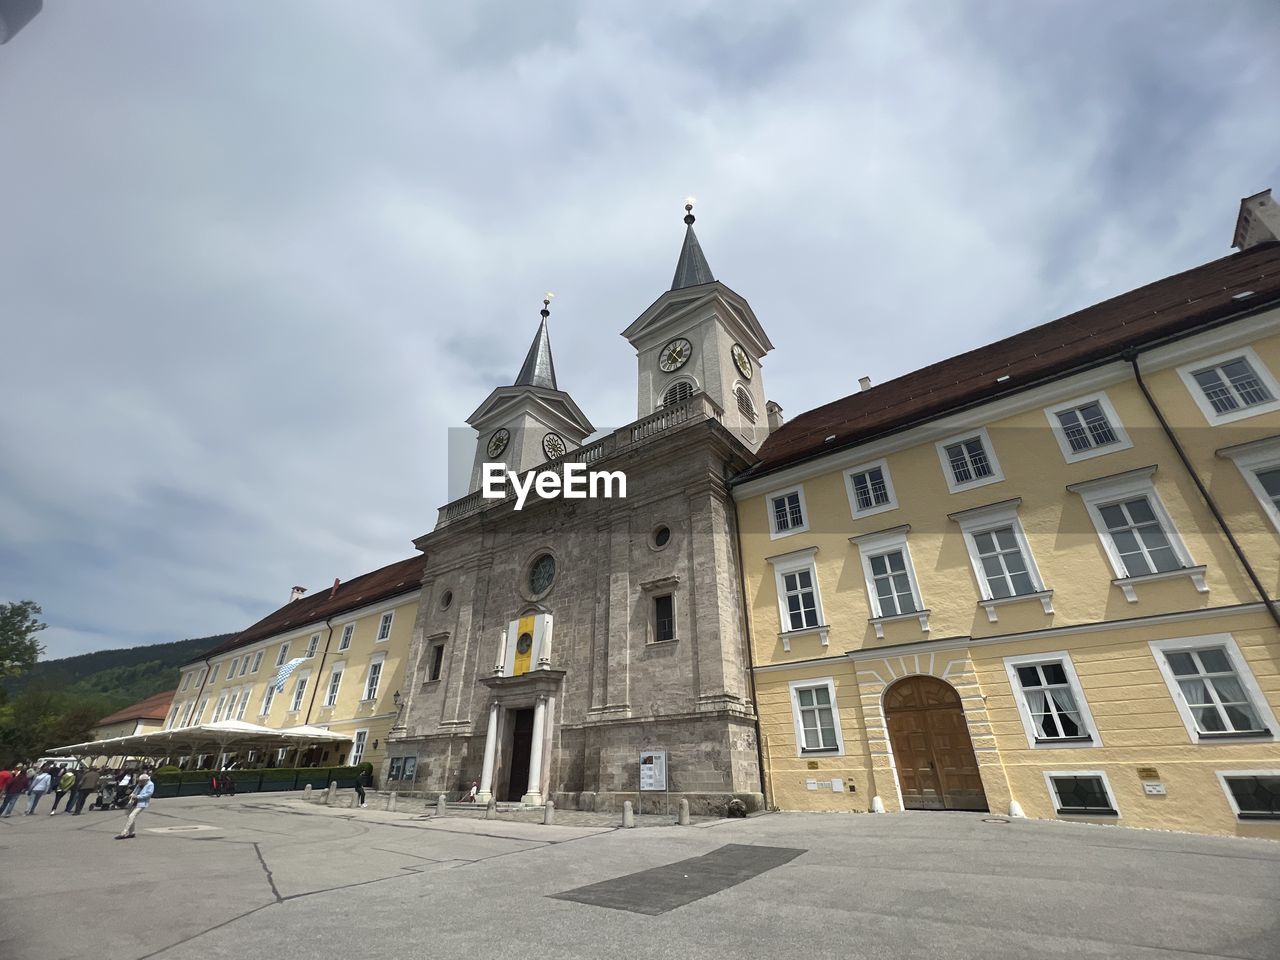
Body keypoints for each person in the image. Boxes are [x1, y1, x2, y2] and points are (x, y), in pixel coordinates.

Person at [114, 773, 154, 839]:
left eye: (141, 781)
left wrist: (137, 797)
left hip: (142, 803)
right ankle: (132, 832)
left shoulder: (150, 784)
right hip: (133, 802)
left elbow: (148, 794)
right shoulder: (140, 784)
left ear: (146, 780)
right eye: (139, 781)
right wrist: (132, 794)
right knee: (129, 815)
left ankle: (124, 833)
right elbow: (135, 790)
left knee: (132, 816)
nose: (140, 782)